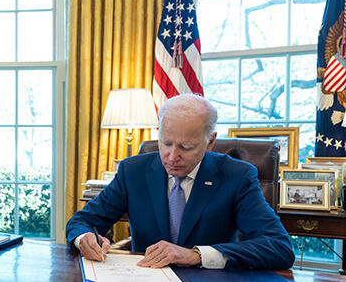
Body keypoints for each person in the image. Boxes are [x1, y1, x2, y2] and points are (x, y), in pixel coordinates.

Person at [66, 94, 294, 270]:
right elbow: (82, 221)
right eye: (165, 143)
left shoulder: (236, 176)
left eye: (186, 147)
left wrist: (195, 255)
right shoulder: (133, 171)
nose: (172, 156)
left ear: (210, 142)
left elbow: (279, 247)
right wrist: (84, 238)